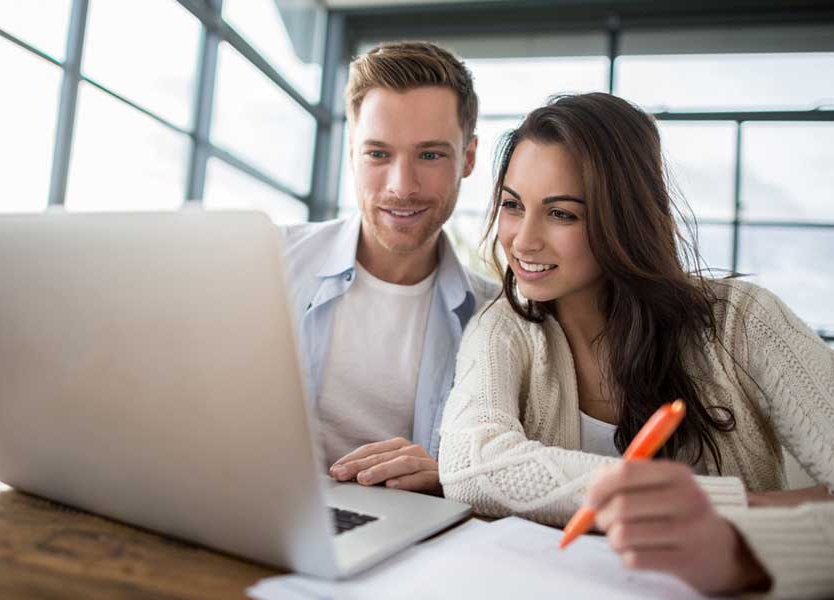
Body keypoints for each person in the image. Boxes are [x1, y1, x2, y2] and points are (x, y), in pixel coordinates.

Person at [437, 92, 834, 596]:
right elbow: (473, 466)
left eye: (562, 214)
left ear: (624, 218)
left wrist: (738, 541)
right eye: (514, 206)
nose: (523, 240)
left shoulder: (744, 319)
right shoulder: (504, 328)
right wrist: (722, 502)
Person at [282, 42, 497, 494]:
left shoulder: (495, 318)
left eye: (431, 155)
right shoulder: (269, 263)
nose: (402, 187)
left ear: (469, 158)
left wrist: (451, 478)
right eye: (378, 154)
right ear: (352, 152)